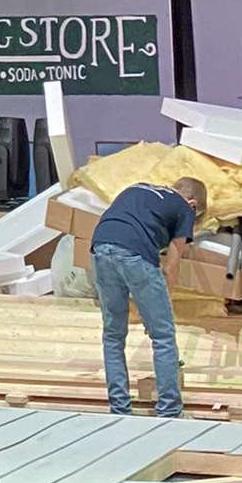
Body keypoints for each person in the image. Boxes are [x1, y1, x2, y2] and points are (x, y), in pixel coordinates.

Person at [90, 176, 206, 418]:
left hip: (100, 245)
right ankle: (169, 411)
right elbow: (171, 266)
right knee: (162, 336)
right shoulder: (185, 209)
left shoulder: (137, 187)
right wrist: (161, 305)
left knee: (113, 335)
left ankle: (120, 410)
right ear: (193, 203)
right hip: (136, 253)